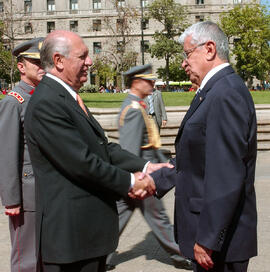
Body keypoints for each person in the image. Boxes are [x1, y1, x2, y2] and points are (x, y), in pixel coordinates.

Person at [24, 30, 171, 272]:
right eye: (82, 56)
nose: (90, 62)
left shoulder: (66, 97)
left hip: (86, 236)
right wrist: (131, 181)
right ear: (59, 61)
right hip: (71, 240)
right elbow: (81, 163)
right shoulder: (47, 103)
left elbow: (103, 146)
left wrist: (145, 166)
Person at [149, 21, 257, 272]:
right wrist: (156, 179)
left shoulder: (225, 94)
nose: (183, 63)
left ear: (209, 49)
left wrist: (208, 239)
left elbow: (226, 174)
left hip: (222, 244)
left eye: (187, 54)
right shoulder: (213, 92)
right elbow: (195, 157)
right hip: (215, 237)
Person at [105, 64, 192, 271]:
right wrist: (137, 180)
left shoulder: (138, 105)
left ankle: (100, 254)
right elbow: (129, 150)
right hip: (142, 176)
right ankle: (181, 256)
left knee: (119, 217)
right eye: (149, 80)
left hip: (143, 172)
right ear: (137, 83)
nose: (153, 83)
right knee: (159, 219)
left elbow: (149, 143)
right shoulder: (134, 110)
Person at [0, 37, 45, 272]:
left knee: (43, 254)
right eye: (36, 62)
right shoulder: (13, 102)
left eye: (44, 62)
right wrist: (11, 200)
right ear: (21, 67)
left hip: (46, 188)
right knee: (25, 259)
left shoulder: (41, 98)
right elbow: (6, 155)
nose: (42, 67)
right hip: (26, 193)